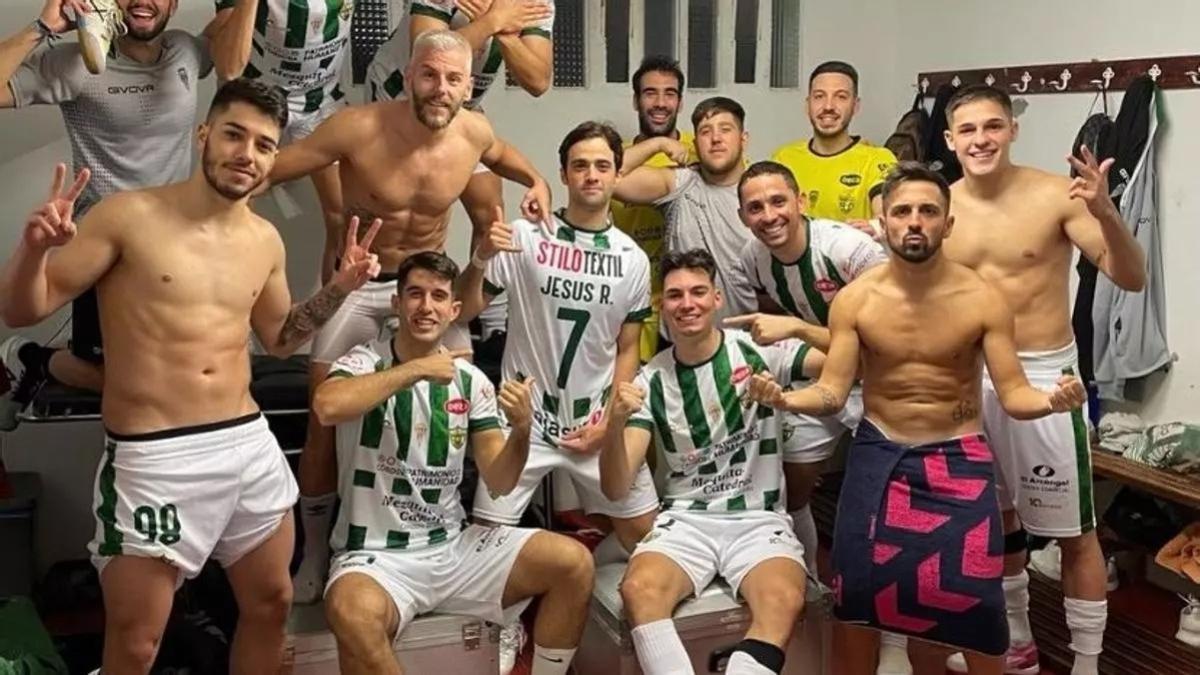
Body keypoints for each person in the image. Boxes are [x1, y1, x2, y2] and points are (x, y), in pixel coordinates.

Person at [0, 78, 382, 675]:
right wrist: (32, 250)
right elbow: (22, 309)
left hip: (246, 442)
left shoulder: (264, 239)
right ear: (204, 134)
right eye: (234, 134)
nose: (246, 154)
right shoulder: (127, 216)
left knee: (271, 603)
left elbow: (280, 335)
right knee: (137, 644)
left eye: (263, 144)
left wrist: (337, 291)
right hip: (156, 456)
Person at [748, 162, 1087, 675]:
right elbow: (833, 391)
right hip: (879, 454)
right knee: (856, 598)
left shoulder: (983, 298)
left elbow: (1015, 394)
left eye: (928, 211)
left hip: (958, 461)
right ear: (881, 222)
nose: (914, 222)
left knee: (973, 607)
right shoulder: (856, 300)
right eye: (901, 211)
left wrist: (1053, 401)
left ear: (948, 224)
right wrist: (784, 399)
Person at [268, 28, 554, 604]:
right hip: (358, 282)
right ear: (410, 74)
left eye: (453, 79)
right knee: (323, 425)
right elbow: (279, 165)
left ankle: (465, 538)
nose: (440, 88)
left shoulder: (472, 131)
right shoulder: (359, 127)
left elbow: (502, 154)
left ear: (468, 84)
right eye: (429, 75)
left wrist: (538, 179)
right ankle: (319, 548)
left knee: (465, 413)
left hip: (426, 288)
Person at [938, 85, 1146, 675]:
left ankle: (1086, 664)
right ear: (950, 140)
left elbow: (1131, 277)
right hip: (970, 377)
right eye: (969, 130)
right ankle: (1019, 640)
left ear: (1011, 130)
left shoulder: (1055, 196)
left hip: (1044, 374)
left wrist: (1107, 211)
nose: (981, 140)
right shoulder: (940, 206)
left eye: (992, 126)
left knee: (1073, 530)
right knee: (995, 517)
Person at [313, 251, 593, 675]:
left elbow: (500, 478)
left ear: (454, 309)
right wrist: (418, 369)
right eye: (415, 294)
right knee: (351, 612)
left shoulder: (472, 381)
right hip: (376, 557)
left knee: (572, 563)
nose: (426, 307)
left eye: (438, 296)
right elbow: (327, 405)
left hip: (452, 548)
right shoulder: (363, 361)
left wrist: (521, 431)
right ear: (396, 303)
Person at [600, 248, 822, 675]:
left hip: (756, 518)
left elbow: (855, 357)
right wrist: (614, 425)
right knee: (640, 589)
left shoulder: (756, 352)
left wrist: (797, 326)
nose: (687, 304)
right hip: (687, 521)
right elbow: (615, 486)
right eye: (675, 295)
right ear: (660, 306)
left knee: (783, 599)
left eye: (698, 292)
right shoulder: (651, 379)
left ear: (717, 298)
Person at [0, 0, 214, 429]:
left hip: (174, 248)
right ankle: (31, 358)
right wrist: (43, 26)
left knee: (187, 374)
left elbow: (229, 39)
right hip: (103, 249)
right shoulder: (77, 63)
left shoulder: (187, 51)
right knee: (125, 381)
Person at [457, 120, 659, 548]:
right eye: (580, 165)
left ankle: (591, 579)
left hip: (593, 416)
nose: (591, 175)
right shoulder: (526, 235)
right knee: (484, 543)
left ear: (618, 174)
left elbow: (628, 347)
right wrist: (480, 257)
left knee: (645, 539)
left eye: (603, 166)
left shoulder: (633, 259)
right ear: (563, 174)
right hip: (524, 418)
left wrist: (609, 421)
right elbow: (466, 308)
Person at [366, 0, 556, 381]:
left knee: (490, 212)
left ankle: (489, 322)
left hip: (458, 106)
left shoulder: (533, 3)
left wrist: (498, 28)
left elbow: (537, 79)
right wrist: (496, 20)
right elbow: (428, 51)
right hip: (401, 98)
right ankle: (367, 315)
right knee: (390, 212)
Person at [725, 160, 886, 584]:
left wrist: (796, 329)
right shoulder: (753, 257)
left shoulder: (848, 250)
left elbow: (889, 344)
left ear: (802, 201)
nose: (769, 215)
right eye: (755, 207)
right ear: (743, 217)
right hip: (824, 375)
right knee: (791, 488)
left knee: (880, 496)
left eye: (778, 201)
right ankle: (810, 583)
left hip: (884, 382)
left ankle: (884, 614)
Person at [208, 0, 358, 287]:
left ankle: (331, 311)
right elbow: (228, 66)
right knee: (230, 210)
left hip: (320, 102)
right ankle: (233, 303)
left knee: (342, 216)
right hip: (256, 98)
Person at [614, 96, 757, 329]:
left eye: (725, 129)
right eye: (705, 132)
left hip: (743, 342)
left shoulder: (760, 191)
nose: (716, 138)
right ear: (695, 143)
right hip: (680, 341)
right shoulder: (681, 183)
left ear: (743, 139)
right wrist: (658, 143)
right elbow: (607, 177)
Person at [609, 55, 698, 362]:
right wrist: (657, 146)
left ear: (680, 102)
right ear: (636, 101)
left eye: (669, 93)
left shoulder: (702, 148)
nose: (660, 102)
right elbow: (606, 176)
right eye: (650, 93)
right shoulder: (614, 153)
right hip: (632, 299)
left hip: (690, 301)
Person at [770, 61, 896, 237]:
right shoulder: (784, 158)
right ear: (808, 105)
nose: (828, 106)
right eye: (819, 96)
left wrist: (876, 226)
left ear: (855, 106)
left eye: (841, 96)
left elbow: (888, 213)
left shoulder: (877, 159)